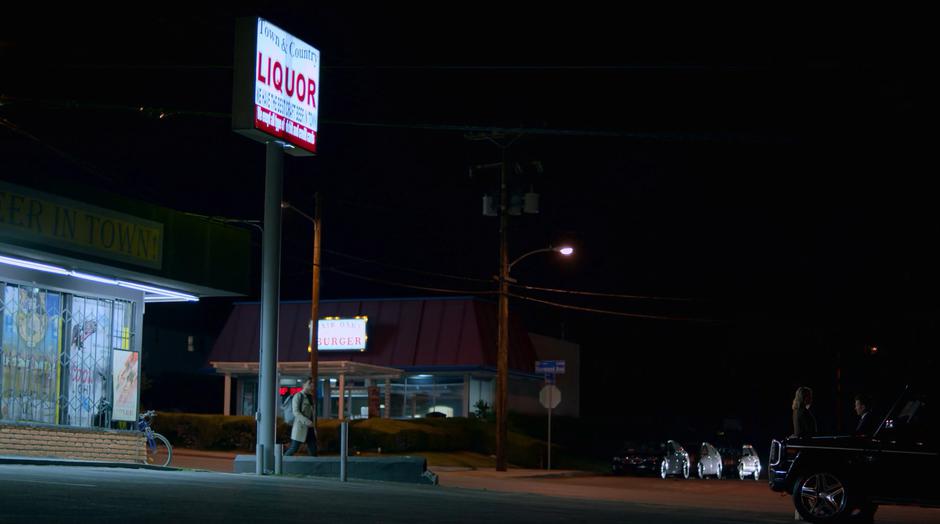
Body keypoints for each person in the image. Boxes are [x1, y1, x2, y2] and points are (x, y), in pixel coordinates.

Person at [285, 377, 318, 456]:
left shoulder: (311, 397)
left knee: (313, 450)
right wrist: (307, 421)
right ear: (304, 385)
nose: (312, 385)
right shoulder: (298, 396)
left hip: (310, 428)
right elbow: (296, 412)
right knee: (294, 448)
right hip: (300, 427)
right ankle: (281, 463)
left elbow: (312, 414)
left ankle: (314, 467)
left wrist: (314, 427)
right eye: (309, 383)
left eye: (312, 383)